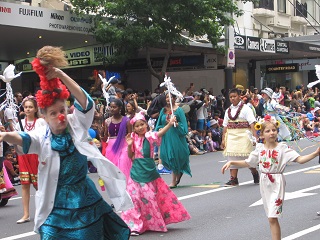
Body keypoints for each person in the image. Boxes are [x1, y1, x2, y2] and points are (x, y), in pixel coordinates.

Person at [0, 46, 132, 239]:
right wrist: (5, 136)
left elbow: (86, 103)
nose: (59, 116)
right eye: (53, 113)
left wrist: (61, 75)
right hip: (54, 202)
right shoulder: (42, 132)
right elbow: (26, 139)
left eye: (62, 110)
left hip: (83, 199)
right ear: (43, 115)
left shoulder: (76, 124)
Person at [221, 116, 320, 240]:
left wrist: (315, 154)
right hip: (264, 182)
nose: (271, 133)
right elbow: (248, 162)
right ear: (261, 135)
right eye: (267, 131)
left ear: (277, 131)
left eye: (274, 130)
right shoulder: (259, 149)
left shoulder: (282, 148)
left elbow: (300, 159)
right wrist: (232, 163)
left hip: (277, 182)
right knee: (270, 218)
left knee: (273, 216)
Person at [121, 113, 191, 236]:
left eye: (142, 124)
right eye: (137, 126)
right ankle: (134, 226)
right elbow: (131, 157)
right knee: (134, 199)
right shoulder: (133, 138)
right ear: (134, 128)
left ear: (146, 125)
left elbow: (160, 134)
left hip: (149, 172)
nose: (140, 127)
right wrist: (130, 145)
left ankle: (150, 223)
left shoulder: (150, 136)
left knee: (149, 199)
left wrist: (169, 124)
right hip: (136, 172)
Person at [15, 97, 46, 224]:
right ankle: (26, 214)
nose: (27, 109)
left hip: (36, 156)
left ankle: (43, 212)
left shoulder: (41, 122)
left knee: (39, 185)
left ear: (36, 109)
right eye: (26, 107)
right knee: (25, 185)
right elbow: (17, 139)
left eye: (30, 107)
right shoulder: (19, 123)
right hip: (23, 156)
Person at [221, 88, 259, 186]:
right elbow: (225, 126)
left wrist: (255, 137)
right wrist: (223, 140)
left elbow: (252, 123)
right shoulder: (228, 111)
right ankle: (233, 179)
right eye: (231, 97)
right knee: (232, 157)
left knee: (248, 158)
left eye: (234, 96)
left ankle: (255, 173)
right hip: (231, 136)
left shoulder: (246, 108)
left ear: (239, 96)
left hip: (244, 135)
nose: (232, 99)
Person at [155, 91, 192, 188]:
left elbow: (184, 126)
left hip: (176, 137)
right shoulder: (163, 110)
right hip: (166, 136)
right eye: (167, 97)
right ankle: (178, 173)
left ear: (174, 98)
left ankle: (173, 181)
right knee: (165, 155)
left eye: (170, 97)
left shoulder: (179, 110)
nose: (168, 99)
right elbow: (159, 123)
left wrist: (177, 124)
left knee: (174, 156)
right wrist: (159, 128)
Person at [102, 98, 132, 182]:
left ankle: (126, 186)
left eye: (114, 107)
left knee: (123, 165)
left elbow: (131, 135)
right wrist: (101, 133)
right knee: (113, 168)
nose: (112, 109)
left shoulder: (126, 120)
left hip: (123, 146)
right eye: (111, 107)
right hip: (111, 147)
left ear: (120, 108)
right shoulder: (107, 121)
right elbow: (105, 138)